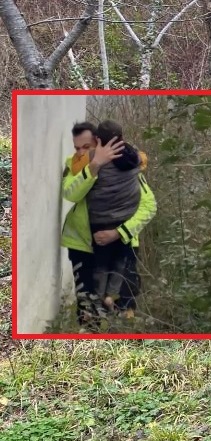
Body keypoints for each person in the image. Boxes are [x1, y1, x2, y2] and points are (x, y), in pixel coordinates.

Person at [62, 122, 157, 327]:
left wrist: (119, 232)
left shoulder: (128, 164)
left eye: (87, 147)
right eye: (77, 148)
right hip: (83, 245)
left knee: (125, 307)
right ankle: (90, 344)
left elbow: (149, 207)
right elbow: (70, 193)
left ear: (97, 141)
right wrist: (94, 165)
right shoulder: (78, 164)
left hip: (124, 239)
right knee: (89, 311)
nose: (82, 152)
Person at [86, 120, 143, 310]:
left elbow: (83, 180)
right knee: (120, 260)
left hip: (100, 220)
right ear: (122, 137)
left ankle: (98, 298)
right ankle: (111, 296)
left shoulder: (93, 158)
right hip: (125, 219)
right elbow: (141, 162)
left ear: (97, 139)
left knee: (100, 262)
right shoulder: (133, 155)